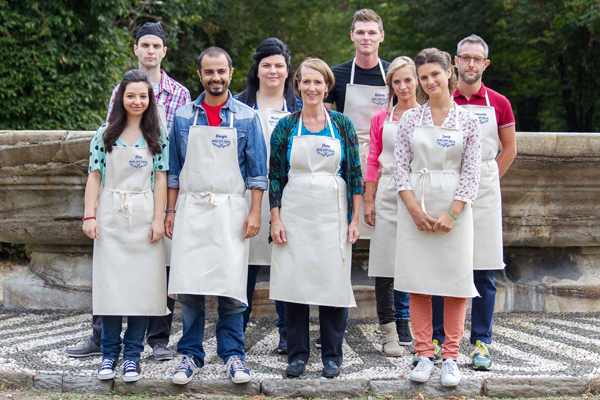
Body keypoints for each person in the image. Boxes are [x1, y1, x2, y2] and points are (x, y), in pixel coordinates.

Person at [65, 22, 190, 361]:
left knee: (152, 276)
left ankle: (156, 341)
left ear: (164, 51)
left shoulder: (180, 94)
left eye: (156, 45)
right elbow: (103, 160)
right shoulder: (113, 110)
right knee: (110, 275)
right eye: (144, 44)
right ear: (136, 49)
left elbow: (173, 158)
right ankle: (103, 340)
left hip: (152, 197)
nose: (150, 50)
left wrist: (165, 213)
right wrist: (90, 214)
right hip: (115, 203)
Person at [165, 47, 267, 385]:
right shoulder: (183, 117)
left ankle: (233, 354)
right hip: (191, 209)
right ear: (199, 75)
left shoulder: (247, 118)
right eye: (209, 71)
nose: (216, 77)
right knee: (190, 286)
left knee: (231, 286)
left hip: (230, 211)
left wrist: (255, 212)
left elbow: (257, 173)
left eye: (221, 71)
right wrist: (170, 211)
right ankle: (190, 354)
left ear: (231, 73)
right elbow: (174, 172)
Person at [392, 48, 482, 387]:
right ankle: (423, 354)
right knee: (419, 282)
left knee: (455, 283)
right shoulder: (410, 119)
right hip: (416, 205)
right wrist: (414, 210)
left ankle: (451, 357)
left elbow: (472, 172)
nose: (430, 81)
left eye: (435, 74)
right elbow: (400, 168)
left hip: (454, 209)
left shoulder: (469, 121)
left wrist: (453, 214)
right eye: (424, 77)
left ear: (449, 74)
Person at [269, 58, 362, 379]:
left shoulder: (342, 124)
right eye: (305, 82)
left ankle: (332, 356)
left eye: (317, 82)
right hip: (294, 213)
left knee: (332, 281)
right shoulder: (285, 127)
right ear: (297, 87)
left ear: (327, 86)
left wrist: (355, 219)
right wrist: (276, 219)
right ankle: (297, 356)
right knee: (294, 282)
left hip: (333, 215)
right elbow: (275, 176)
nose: (311, 88)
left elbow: (355, 174)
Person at [431, 34, 517, 371]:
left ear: (485, 64)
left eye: (476, 58)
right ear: (455, 61)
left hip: (484, 191)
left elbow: (509, 149)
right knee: (443, 265)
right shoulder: (443, 99)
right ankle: (438, 340)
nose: (470, 63)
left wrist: (487, 178)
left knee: (483, 269)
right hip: (447, 185)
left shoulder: (499, 102)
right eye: (464, 57)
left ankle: (481, 341)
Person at [82, 69, 169, 382]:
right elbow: (94, 176)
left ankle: (132, 356)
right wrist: (89, 215)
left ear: (150, 100)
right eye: (131, 95)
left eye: (143, 96)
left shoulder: (157, 136)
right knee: (111, 289)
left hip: (144, 218)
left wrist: (158, 219)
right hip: (111, 217)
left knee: (141, 290)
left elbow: (161, 179)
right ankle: (109, 355)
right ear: (121, 98)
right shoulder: (104, 134)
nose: (137, 101)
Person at [235, 37, 302, 355]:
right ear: (257, 69)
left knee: (285, 264)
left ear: (288, 70)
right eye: (266, 65)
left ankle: (287, 332)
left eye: (279, 65)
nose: (273, 71)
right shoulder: (239, 105)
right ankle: (236, 331)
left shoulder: (300, 107)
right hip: (245, 196)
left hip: (288, 196)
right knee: (243, 265)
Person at [364, 56, 418, 356]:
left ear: (417, 81)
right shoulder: (381, 118)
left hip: (419, 193)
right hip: (386, 192)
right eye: (396, 82)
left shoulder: (427, 116)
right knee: (385, 264)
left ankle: (407, 321)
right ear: (390, 85)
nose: (403, 86)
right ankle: (388, 331)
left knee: (414, 259)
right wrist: (369, 199)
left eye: (408, 80)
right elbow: (374, 158)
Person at [325, 8, 388, 240]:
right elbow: (323, 122)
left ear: (382, 36)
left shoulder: (393, 74)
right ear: (352, 35)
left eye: (372, 32)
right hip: (347, 160)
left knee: (383, 229)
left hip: (385, 160)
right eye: (360, 32)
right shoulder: (336, 75)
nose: (366, 38)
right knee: (346, 229)